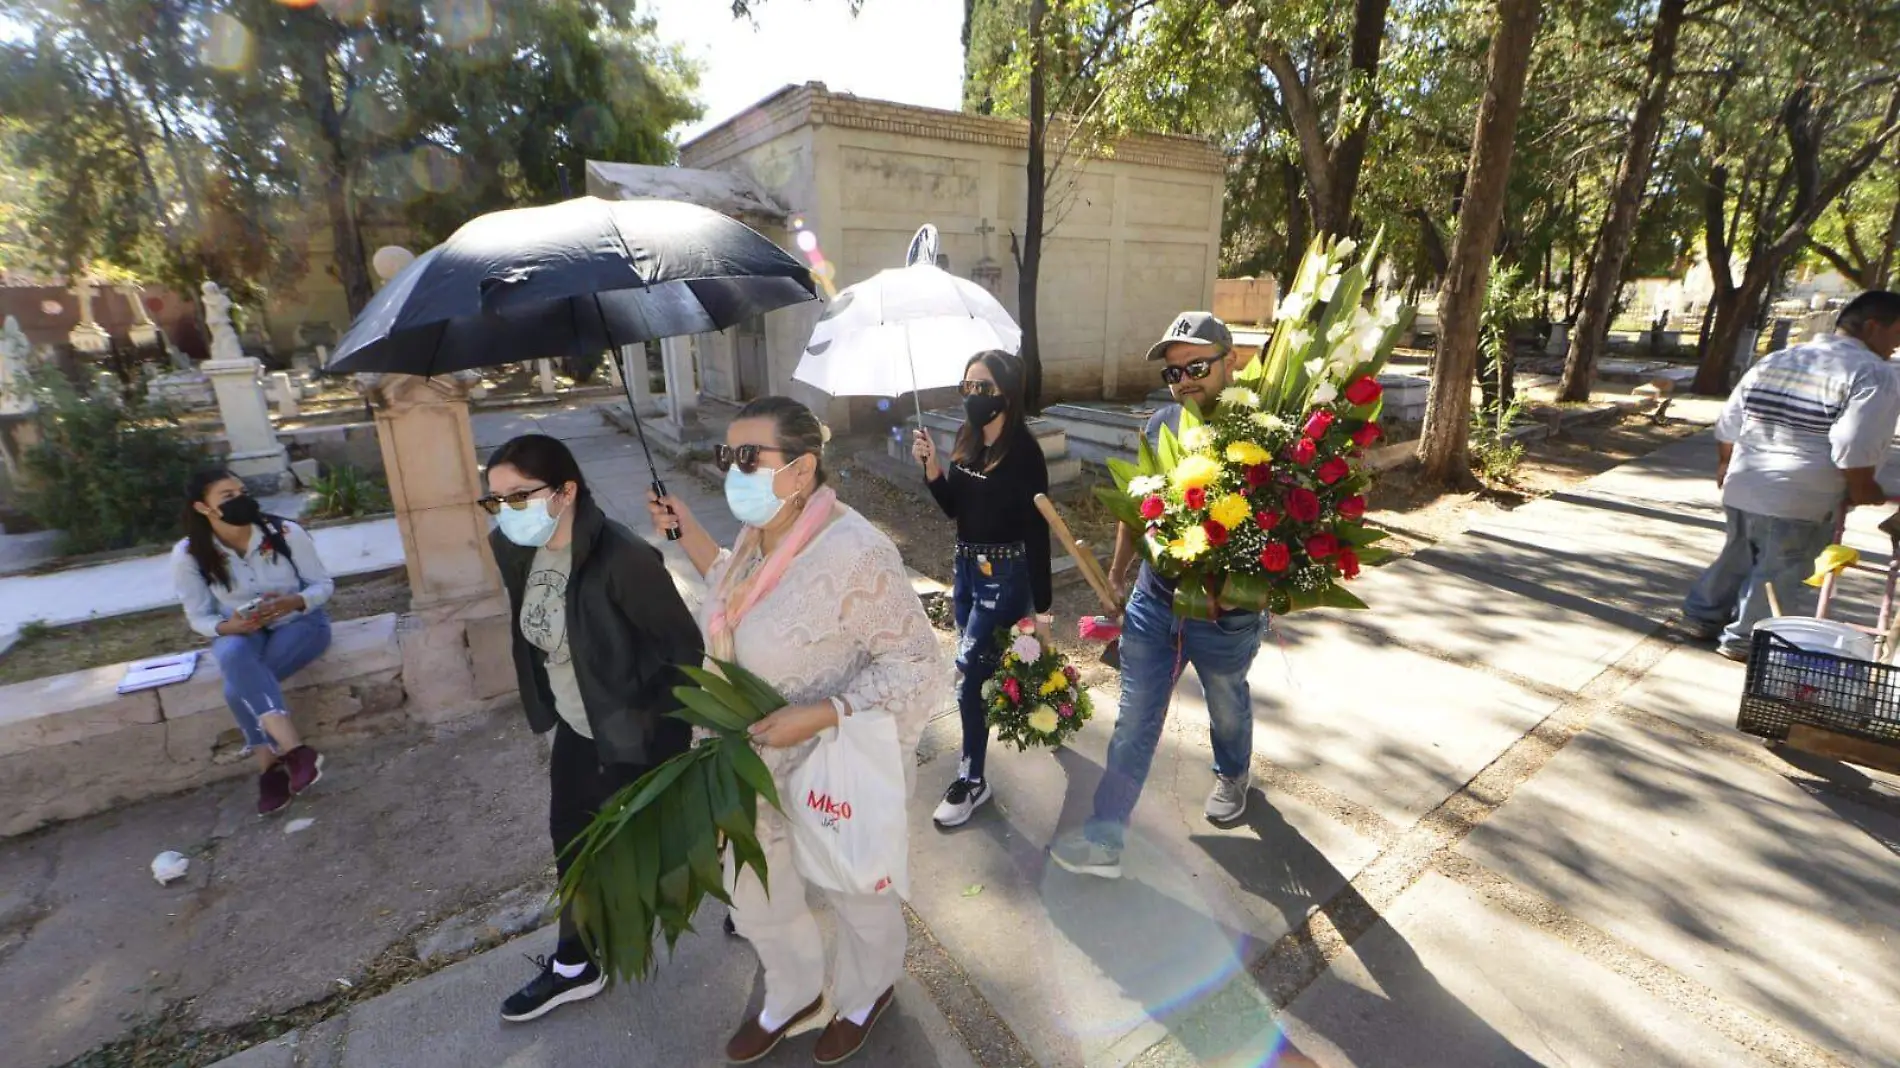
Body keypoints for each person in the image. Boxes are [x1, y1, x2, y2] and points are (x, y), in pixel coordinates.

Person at [648, 396, 943, 1066]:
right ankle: (794, 990)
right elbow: (735, 594)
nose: (732, 469)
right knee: (756, 894)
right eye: (728, 456)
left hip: (829, 766)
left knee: (855, 895)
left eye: (749, 457)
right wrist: (687, 531)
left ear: (803, 468)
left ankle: (869, 992)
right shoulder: (760, 537)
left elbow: (919, 665)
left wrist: (821, 713)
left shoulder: (856, 551)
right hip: (747, 768)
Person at [482, 434, 705, 1023]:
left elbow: (683, 648)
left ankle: (751, 893)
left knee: (656, 843)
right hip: (577, 730)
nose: (506, 511)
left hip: (631, 731)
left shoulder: (624, 557)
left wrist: (649, 732)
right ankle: (576, 963)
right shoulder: (515, 548)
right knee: (571, 841)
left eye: (518, 496)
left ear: (565, 491)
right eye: (496, 499)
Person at [1050, 311, 1268, 880]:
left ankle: (1232, 772)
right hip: (1154, 603)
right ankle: (1106, 839)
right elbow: (1137, 509)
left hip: (1226, 614)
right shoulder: (1160, 425)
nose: (1185, 380)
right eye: (1175, 373)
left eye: (1197, 366)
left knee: (1226, 702)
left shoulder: (1261, 432)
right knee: (1135, 721)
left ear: (1232, 361)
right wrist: (1119, 575)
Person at [1680, 290, 1900, 661]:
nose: (1898, 345)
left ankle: (1702, 616)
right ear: (1873, 326)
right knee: (1779, 568)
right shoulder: (1871, 373)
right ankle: (1746, 640)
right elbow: (1853, 443)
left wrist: (1726, 464)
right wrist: (1865, 490)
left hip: (1746, 481)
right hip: (1802, 493)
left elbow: (1730, 421)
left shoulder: (1782, 358)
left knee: (1738, 554)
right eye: (1898, 332)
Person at [912, 349, 1052, 827]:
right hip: (966, 571)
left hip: (1007, 574)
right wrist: (931, 469)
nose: (973, 397)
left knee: (970, 672)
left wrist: (1044, 607)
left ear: (1007, 394)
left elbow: (1039, 530)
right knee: (983, 668)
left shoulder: (1025, 454)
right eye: (967, 387)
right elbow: (955, 509)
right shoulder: (966, 440)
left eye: (984, 388)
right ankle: (1024, 709)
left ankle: (973, 779)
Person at [172, 468, 335, 817]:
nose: (240, 500)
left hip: (301, 623)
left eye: (241, 491)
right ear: (203, 508)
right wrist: (229, 625)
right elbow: (198, 617)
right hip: (243, 631)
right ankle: (294, 749)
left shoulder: (285, 533)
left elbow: (322, 585)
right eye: (227, 497)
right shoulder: (189, 555)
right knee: (231, 654)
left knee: (236, 688)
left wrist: (293, 602)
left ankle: (268, 765)